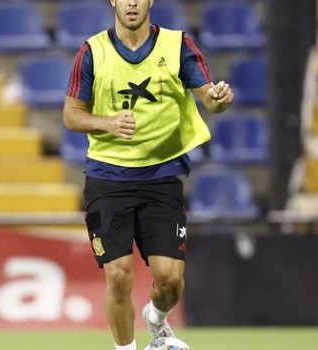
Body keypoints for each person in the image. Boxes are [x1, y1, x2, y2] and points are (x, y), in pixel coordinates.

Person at [63, 1, 234, 349]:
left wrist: (219, 99)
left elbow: (209, 99)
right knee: (119, 275)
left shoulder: (179, 45)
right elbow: (71, 114)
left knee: (170, 281)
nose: (131, 2)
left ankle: (155, 319)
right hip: (108, 179)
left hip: (161, 177)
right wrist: (106, 122)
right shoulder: (92, 51)